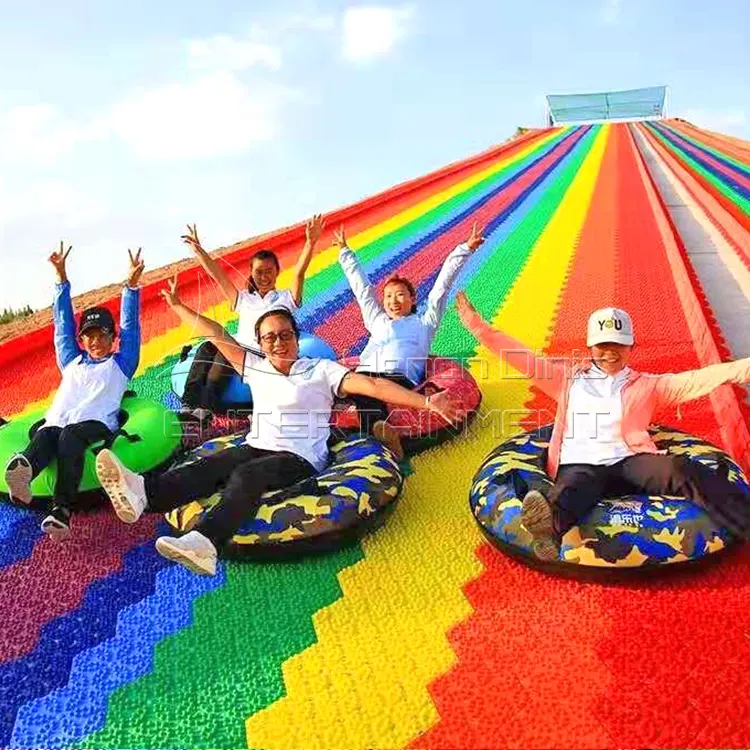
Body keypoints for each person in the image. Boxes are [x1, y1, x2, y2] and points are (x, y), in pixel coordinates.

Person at [95, 275, 460, 576]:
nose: (278, 342)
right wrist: (177, 305)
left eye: (285, 334)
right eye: (270, 337)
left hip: (299, 456)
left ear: (296, 338)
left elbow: (374, 386)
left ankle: (205, 543)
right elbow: (216, 334)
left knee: (247, 477)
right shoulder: (256, 368)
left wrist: (427, 401)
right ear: (261, 343)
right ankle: (143, 493)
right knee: (211, 466)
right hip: (258, 443)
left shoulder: (320, 370)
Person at [456, 295, 750, 561]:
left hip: (631, 462)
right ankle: (547, 530)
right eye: (602, 345)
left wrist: (741, 369)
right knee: (571, 492)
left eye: (618, 345)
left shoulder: (648, 386)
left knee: (682, 470)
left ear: (630, 346)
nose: (610, 352)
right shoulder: (567, 379)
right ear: (590, 346)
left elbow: (696, 379)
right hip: (582, 464)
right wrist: (476, 324)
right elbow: (520, 356)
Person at [4, 242, 144, 541]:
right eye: (88, 336)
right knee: (47, 433)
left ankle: (62, 508)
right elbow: (62, 324)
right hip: (58, 422)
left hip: (94, 424)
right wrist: (61, 279)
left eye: (101, 335)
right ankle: (24, 473)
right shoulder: (72, 360)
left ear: (111, 337)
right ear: (82, 340)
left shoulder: (121, 363)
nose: (94, 341)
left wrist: (130, 287)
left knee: (69, 436)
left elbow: (131, 326)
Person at [333, 222, 485, 457]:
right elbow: (362, 290)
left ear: (412, 299)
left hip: (397, 379)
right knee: (334, 382)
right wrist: (345, 253)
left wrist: (465, 249)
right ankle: (371, 431)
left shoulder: (424, 323)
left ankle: (378, 435)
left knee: (365, 390)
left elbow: (441, 287)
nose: (393, 300)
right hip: (360, 375)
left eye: (400, 295)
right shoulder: (377, 321)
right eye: (389, 296)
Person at [179, 216, 325, 412]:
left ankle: (204, 409)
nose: (264, 277)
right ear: (252, 273)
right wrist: (199, 251)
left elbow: (299, 273)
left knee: (223, 359)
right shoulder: (244, 299)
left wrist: (310, 242)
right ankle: (187, 404)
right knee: (207, 346)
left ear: (277, 272)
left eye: (268, 271)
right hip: (237, 345)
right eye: (258, 272)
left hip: (258, 353)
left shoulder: (286, 298)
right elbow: (218, 275)